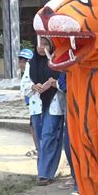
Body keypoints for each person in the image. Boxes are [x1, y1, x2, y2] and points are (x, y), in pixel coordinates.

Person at [22, 37, 64, 186]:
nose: (41, 47)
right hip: (36, 104)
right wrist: (34, 87)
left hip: (54, 103)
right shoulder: (31, 63)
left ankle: (45, 173)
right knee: (40, 138)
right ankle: (43, 170)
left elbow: (65, 82)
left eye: (46, 44)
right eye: (39, 43)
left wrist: (54, 84)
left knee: (49, 136)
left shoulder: (58, 62)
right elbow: (25, 83)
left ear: (52, 46)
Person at [55, 72, 80, 195]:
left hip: (93, 108)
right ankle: (79, 185)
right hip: (71, 110)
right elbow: (61, 80)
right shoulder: (69, 60)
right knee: (71, 149)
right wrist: (71, 88)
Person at [19, 49, 38, 157]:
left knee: (34, 126)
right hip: (32, 105)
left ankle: (38, 149)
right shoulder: (25, 76)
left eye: (26, 61)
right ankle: (37, 148)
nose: (22, 64)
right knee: (32, 125)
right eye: (21, 61)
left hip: (38, 106)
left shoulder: (34, 72)